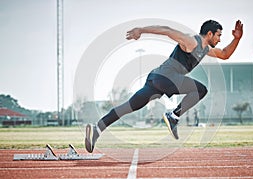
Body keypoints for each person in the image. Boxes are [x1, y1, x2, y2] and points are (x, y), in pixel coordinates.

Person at [85, 20, 243, 153]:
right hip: (166, 77)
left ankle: (97, 128)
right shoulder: (192, 41)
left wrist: (237, 39)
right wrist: (141, 30)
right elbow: (167, 30)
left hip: (157, 79)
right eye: (219, 35)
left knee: (130, 106)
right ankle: (173, 116)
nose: (220, 39)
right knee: (201, 89)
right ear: (209, 34)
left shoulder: (205, 50)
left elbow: (224, 54)